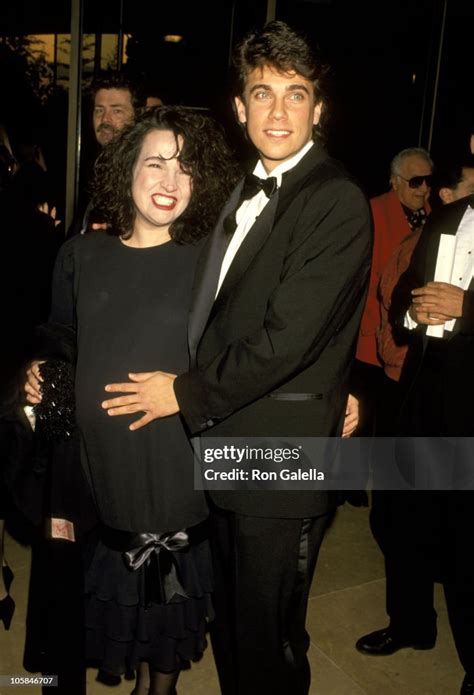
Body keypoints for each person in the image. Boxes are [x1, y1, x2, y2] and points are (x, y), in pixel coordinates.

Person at [98, 21, 372, 695]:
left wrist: (183, 395)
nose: (278, 111)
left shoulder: (332, 199)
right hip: (225, 448)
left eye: (296, 93)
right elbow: (208, 307)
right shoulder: (233, 191)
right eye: (263, 92)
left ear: (319, 109)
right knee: (232, 626)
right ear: (240, 107)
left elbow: (286, 339)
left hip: (279, 460)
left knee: (269, 640)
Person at [25, 106, 240, 695]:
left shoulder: (213, 263)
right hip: (96, 477)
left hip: (174, 465)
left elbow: (250, 349)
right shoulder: (80, 255)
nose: (170, 182)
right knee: (109, 613)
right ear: (127, 171)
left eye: (186, 168)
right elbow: (61, 332)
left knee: (165, 642)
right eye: (156, 164)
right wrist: (40, 366)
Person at [356, 159, 474, 695]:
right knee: (402, 521)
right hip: (423, 396)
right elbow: (403, 290)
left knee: (467, 541)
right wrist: (413, 314)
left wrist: (466, 308)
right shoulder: (446, 217)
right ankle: (411, 626)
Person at [354, 147, 433, 433]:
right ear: (394, 181)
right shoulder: (370, 212)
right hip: (368, 339)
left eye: (428, 181)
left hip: (408, 344)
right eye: (416, 181)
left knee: (395, 426)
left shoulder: (437, 217)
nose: (424, 189)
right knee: (361, 424)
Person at [68, 71, 145, 237]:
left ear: (137, 116)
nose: (105, 119)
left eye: (116, 111)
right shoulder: (99, 168)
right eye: (99, 110)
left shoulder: (143, 172)